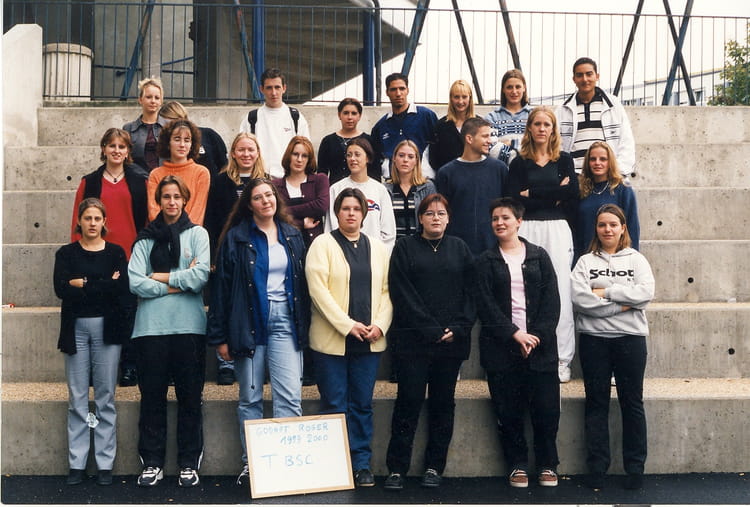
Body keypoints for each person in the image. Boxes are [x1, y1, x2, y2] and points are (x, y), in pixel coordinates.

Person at [208, 178, 310, 487]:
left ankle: (287, 465)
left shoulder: (292, 234)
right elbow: (222, 288)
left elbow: (303, 285)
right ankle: (253, 465)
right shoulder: (236, 238)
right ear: (248, 204)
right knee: (250, 398)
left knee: (289, 397)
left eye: (269, 195)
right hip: (248, 322)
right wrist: (220, 337)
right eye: (258, 197)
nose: (266, 201)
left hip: (286, 322)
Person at [383, 193, 475, 491]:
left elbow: (472, 293)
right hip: (413, 342)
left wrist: (459, 328)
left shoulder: (460, 248)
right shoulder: (404, 247)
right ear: (420, 218)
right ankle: (397, 468)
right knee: (408, 402)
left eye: (441, 213)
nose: (436, 218)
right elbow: (401, 292)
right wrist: (430, 329)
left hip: (451, 343)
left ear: (448, 219)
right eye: (430, 213)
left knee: (442, 404)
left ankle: (435, 466)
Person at [305, 188, 393, 488]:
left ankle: (360, 464)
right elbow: (318, 291)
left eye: (356, 209)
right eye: (345, 208)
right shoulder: (322, 244)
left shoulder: (377, 248)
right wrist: (348, 325)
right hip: (332, 342)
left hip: (369, 340)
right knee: (334, 403)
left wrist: (379, 325)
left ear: (364, 214)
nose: (351, 213)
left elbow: (387, 291)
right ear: (336, 213)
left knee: (362, 404)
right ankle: (334, 466)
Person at [128, 175, 210, 488]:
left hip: (189, 328)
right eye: (166, 197)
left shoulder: (198, 234)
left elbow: (199, 277)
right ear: (158, 201)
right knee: (152, 398)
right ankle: (152, 462)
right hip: (150, 329)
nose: (172, 202)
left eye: (177, 196)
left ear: (184, 200)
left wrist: (159, 277)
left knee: (190, 398)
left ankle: (188, 462)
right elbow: (135, 282)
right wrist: (177, 282)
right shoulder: (144, 240)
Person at [475, 197, 561, 489]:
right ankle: (517, 464)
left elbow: (552, 301)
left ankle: (548, 464)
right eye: (495, 218)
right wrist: (514, 334)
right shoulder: (485, 261)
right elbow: (485, 305)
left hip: (540, 348)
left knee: (546, 410)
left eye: (506, 218)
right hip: (502, 348)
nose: (500, 223)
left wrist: (535, 337)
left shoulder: (539, 256)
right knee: (508, 412)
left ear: (519, 221)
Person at [570, 204, 655, 491]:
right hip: (594, 340)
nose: (607, 229)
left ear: (622, 229)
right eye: (602, 225)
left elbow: (646, 293)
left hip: (630, 339)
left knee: (632, 403)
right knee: (596, 403)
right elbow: (581, 300)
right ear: (596, 229)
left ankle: (635, 468)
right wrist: (624, 305)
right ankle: (597, 468)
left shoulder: (637, 260)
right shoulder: (585, 262)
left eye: (613, 225)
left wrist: (605, 292)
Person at [54, 198, 131, 487]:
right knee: (77, 397)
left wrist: (82, 283)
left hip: (107, 329)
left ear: (104, 222)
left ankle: (104, 463)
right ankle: (77, 462)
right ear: (79, 221)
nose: (92, 223)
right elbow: (61, 289)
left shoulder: (115, 253)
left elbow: (120, 289)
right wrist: (102, 283)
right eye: (87, 218)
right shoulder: (66, 253)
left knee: (105, 396)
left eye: (97, 218)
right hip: (75, 328)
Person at [70, 128, 148, 387]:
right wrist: (78, 255)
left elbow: (147, 221)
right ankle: (96, 369)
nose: (116, 150)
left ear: (128, 151)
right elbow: (77, 222)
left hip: (130, 254)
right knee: (98, 310)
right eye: (112, 145)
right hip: (96, 254)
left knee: (128, 310)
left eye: (121, 146)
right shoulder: (89, 182)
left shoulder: (140, 181)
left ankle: (129, 366)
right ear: (103, 148)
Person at [506, 106, 578, 383]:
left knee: (559, 289)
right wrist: (553, 192)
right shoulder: (519, 162)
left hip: (557, 228)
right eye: (537, 124)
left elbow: (571, 193)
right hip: (528, 227)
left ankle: (561, 359)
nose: (541, 129)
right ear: (529, 128)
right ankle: (527, 354)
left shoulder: (564, 160)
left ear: (553, 129)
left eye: (547, 124)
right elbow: (514, 198)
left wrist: (532, 192)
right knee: (525, 290)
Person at [435, 117, 508, 256]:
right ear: (469, 138)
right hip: (457, 251)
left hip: (493, 249)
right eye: (485, 136)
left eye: (490, 136)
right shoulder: (446, 173)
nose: (490, 141)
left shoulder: (499, 169)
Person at [557, 57, 636, 176]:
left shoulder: (614, 106)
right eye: (579, 75)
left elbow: (626, 141)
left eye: (589, 74)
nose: (585, 79)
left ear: (597, 76)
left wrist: (619, 172)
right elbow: (557, 146)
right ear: (574, 79)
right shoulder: (562, 110)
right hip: (576, 176)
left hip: (607, 176)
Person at [239, 68, 311, 178]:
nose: (273, 93)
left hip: (289, 179)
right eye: (269, 88)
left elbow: (306, 150)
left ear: (284, 88)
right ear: (261, 89)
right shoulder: (252, 118)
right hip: (260, 179)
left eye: (277, 87)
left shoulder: (296, 117)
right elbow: (242, 148)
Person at [205, 132, 268, 259]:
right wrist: (212, 255)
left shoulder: (267, 182)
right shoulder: (220, 182)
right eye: (241, 150)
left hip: (261, 247)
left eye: (251, 150)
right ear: (233, 153)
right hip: (229, 249)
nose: (246, 154)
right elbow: (211, 221)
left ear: (258, 153)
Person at [326, 137, 396, 250]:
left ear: (367, 158)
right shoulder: (336, 189)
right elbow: (330, 227)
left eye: (357, 154)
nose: (352, 159)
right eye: (349, 155)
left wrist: (379, 254)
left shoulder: (380, 190)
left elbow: (389, 232)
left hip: (374, 254)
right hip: (343, 254)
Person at [576, 141, 640, 261]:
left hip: (616, 257)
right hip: (586, 257)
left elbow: (632, 227)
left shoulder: (623, 189)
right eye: (593, 159)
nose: (597, 163)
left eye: (603, 159)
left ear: (610, 162)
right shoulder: (581, 190)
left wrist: (631, 259)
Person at [371, 72, 438, 179]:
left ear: (407, 90)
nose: (398, 93)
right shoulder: (380, 126)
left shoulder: (426, 116)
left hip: (423, 181)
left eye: (402, 89)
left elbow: (439, 148)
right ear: (387, 92)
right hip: (393, 182)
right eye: (393, 89)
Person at [147, 119, 210, 225]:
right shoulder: (155, 174)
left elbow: (197, 213)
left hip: (190, 231)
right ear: (168, 143)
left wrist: (182, 231)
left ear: (192, 145)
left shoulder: (201, 173)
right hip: (161, 232)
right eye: (177, 139)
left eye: (187, 140)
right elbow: (154, 212)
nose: (182, 145)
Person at [273, 136, 330, 248]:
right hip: (284, 244)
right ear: (288, 156)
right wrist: (301, 223)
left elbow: (321, 206)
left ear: (309, 159)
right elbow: (274, 217)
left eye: (304, 156)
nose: (299, 159)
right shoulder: (275, 185)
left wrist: (284, 211)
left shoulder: (319, 180)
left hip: (314, 245)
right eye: (295, 154)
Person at [158, 101, 228, 178]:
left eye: (173, 122)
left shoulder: (208, 134)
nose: (170, 127)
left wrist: (219, 183)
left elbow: (224, 165)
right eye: (163, 124)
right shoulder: (163, 142)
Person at [317, 97, 380, 184]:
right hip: (335, 189)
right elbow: (322, 173)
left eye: (354, 113)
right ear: (339, 115)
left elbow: (375, 172)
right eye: (346, 113)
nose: (350, 117)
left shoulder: (369, 141)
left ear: (359, 116)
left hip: (362, 189)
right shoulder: (328, 141)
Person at [385, 140, 437, 239]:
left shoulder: (427, 187)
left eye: (410, 157)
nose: (405, 160)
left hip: (420, 244)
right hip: (394, 244)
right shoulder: (385, 189)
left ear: (416, 161)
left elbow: (433, 217)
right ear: (394, 158)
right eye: (401, 155)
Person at [429, 79, 478, 172]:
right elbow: (433, 158)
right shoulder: (441, 126)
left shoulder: (479, 124)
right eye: (456, 97)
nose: (460, 101)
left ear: (470, 98)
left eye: (464, 97)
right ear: (451, 98)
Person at [486, 69, 532, 166]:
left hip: (529, 172)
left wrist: (511, 143)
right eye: (509, 87)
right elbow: (492, 151)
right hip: (502, 173)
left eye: (518, 87)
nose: (514, 91)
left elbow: (538, 147)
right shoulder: (492, 118)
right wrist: (524, 144)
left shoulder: (533, 115)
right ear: (503, 89)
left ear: (524, 88)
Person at [123, 77, 166, 172]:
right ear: (140, 100)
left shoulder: (169, 127)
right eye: (148, 97)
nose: (153, 101)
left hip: (165, 177)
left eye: (157, 98)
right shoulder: (128, 128)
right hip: (137, 177)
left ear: (161, 102)